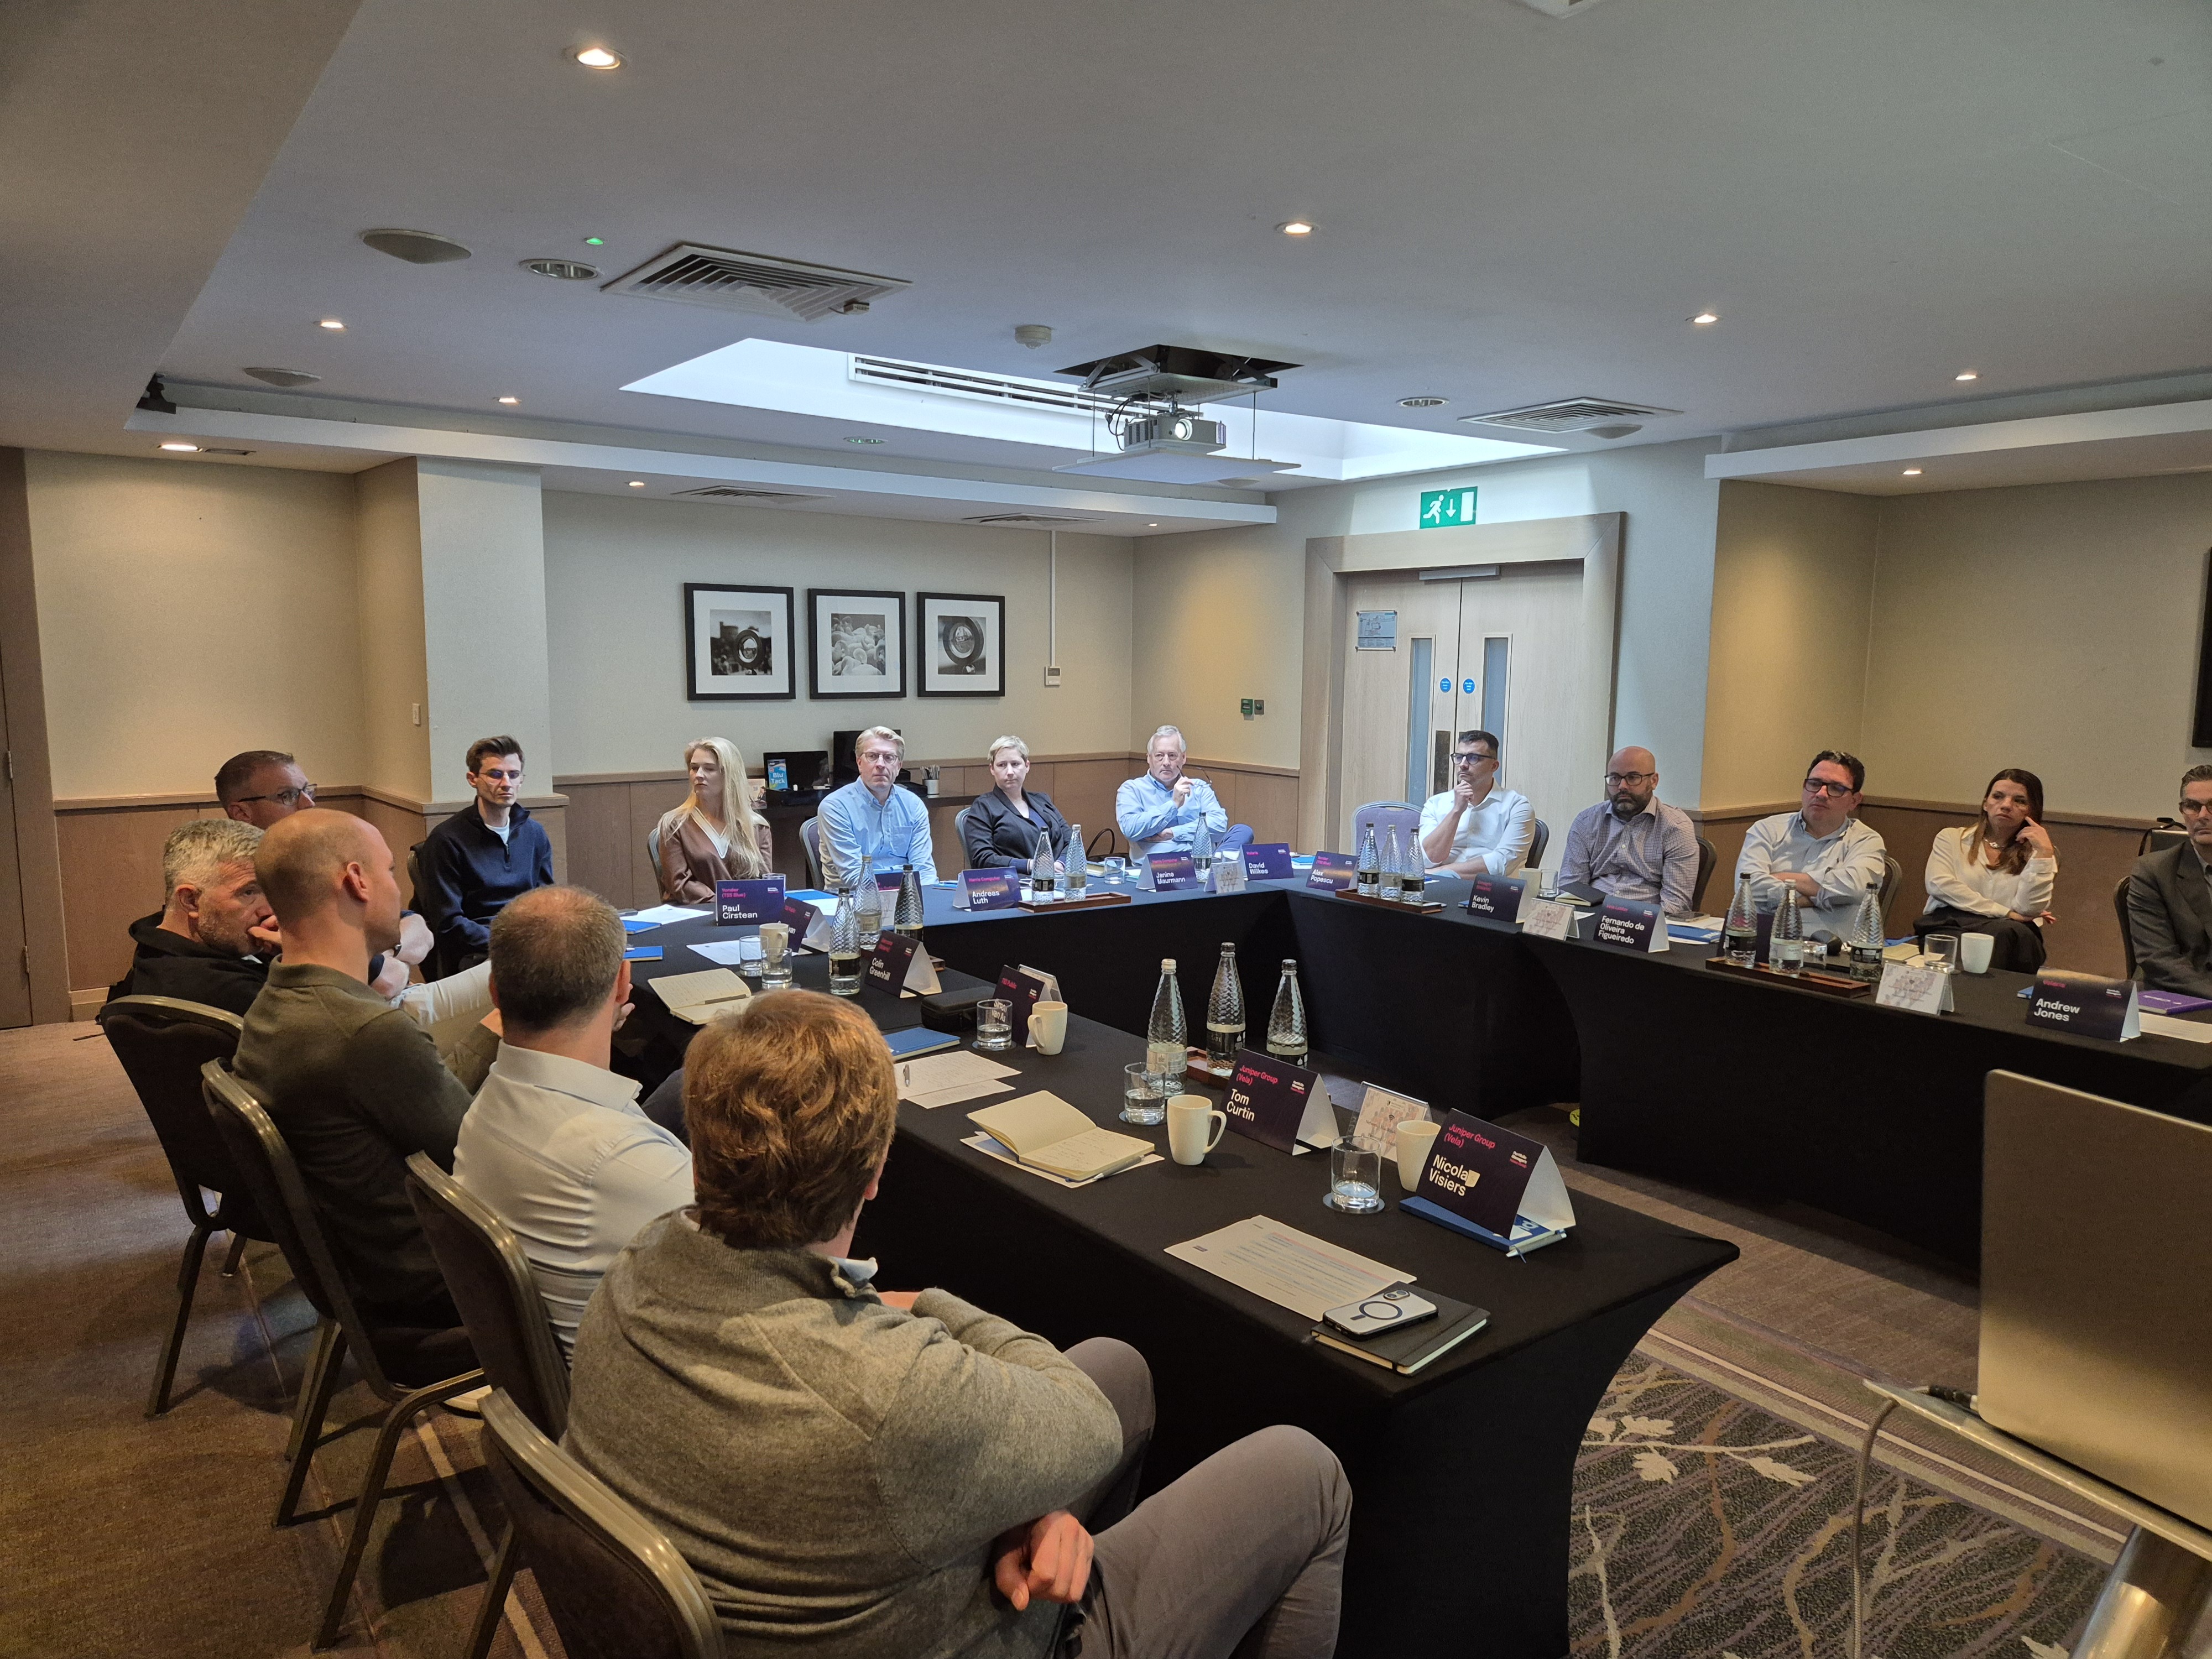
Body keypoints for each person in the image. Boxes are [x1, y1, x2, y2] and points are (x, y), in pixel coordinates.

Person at [564, 990, 1350, 1659]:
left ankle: (1058, 1560)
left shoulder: (639, 1264)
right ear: (875, 1172)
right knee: (1305, 1472)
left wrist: (1034, 1511)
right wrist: (929, 1300)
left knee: (1117, 1365)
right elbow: (1086, 1428)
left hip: (824, 1583)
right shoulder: (891, 1394)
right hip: (938, 1629)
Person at [233, 809, 499, 1323]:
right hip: (442, 1279)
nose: (397, 889)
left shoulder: (277, 998)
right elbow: (476, 1149)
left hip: (373, 1265)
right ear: (356, 881)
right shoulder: (362, 1031)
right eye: (391, 871)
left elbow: (427, 1099)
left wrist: (501, 1023)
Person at [455, 888, 691, 1357]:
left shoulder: (482, 1107)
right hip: (631, 1385)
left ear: (495, 993)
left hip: (573, 1353)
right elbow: (766, 1277)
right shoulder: (632, 1169)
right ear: (623, 984)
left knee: (686, 1084)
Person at [112, 818, 494, 1030]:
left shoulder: (160, 942)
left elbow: (416, 931)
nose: (269, 908)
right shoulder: (224, 988)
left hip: (377, 1018)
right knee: (512, 980)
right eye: (249, 892)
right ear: (190, 900)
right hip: (384, 1034)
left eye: (269, 889)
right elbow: (387, 986)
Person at [217, 748, 436, 977]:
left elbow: (420, 932)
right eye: (287, 796)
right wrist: (383, 963)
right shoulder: (240, 883)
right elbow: (384, 981)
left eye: (307, 791)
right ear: (242, 813)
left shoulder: (316, 855)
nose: (308, 804)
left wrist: (389, 954)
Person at [418, 735, 555, 972]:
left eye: (514, 775)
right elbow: (449, 923)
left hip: (530, 944)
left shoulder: (534, 834)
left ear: (521, 780)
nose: (506, 783)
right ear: (473, 779)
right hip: (478, 952)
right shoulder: (446, 840)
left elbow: (547, 900)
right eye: (495, 774)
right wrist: (508, 944)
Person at [1734, 750, 1888, 942]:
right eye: (1815, 784)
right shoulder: (1767, 830)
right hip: (1765, 943)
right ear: (1804, 787)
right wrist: (1817, 897)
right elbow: (1746, 887)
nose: (1821, 794)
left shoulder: (1866, 840)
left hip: (1833, 949)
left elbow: (1855, 889)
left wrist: (1784, 879)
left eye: (1836, 788)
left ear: (1855, 801)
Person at [1918, 768, 2057, 973]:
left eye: (2019, 801)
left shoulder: (2039, 853)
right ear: (1985, 803)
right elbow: (1940, 885)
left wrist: (2044, 853)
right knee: (1998, 936)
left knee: (2008, 935)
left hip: (2012, 935)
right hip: (1952, 925)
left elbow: (2028, 910)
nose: (2006, 805)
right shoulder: (1951, 839)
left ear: (2032, 811)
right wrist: (2005, 912)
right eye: (1998, 796)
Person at [1557, 746, 1700, 914]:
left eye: (1633, 778)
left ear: (1654, 781)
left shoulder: (1676, 828)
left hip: (1645, 921)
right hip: (1592, 917)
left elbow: (1676, 904)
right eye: (1615, 778)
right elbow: (1571, 887)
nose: (1622, 786)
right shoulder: (1587, 821)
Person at [2126, 764, 2212, 995]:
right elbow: (2159, 958)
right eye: (2193, 806)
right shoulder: (2154, 871)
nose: (2203, 816)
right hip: (2182, 994)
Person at [655, 737, 774, 904]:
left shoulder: (757, 827)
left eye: (709, 769)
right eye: (694, 768)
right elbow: (680, 884)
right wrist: (724, 902)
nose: (699, 775)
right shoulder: (674, 824)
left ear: (729, 775)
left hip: (747, 913)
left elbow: (765, 884)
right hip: (699, 913)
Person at [816, 726, 937, 887]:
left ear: (899, 766)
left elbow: (924, 870)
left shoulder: (914, 806)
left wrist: (925, 896)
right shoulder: (835, 807)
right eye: (872, 756)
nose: (881, 764)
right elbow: (854, 877)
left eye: (889, 758)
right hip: (852, 898)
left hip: (908, 896)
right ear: (859, 763)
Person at [1115, 725, 1252, 859]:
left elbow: (1219, 825)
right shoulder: (1131, 789)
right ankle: (1218, 862)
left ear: (1183, 758)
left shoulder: (1199, 787)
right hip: (1161, 864)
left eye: (1172, 756)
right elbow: (1131, 829)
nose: (1166, 762)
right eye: (1159, 756)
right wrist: (1173, 805)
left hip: (1200, 861)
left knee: (1243, 831)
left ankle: (1216, 862)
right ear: (1149, 758)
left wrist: (1173, 833)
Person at [1417, 729, 1533, 877]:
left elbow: (1501, 863)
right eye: (1459, 757)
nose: (1463, 765)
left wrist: (1440, 872)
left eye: (1473, 758)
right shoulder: (1435, 804)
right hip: (1439, 886)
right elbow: (1428, 859)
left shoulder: (1517, 806)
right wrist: (1457, 811)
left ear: (1494, 766)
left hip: (1491, 888)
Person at [963, 735, 1073, 872]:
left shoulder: (1042, 800)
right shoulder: (983, 807)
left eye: (1015, 764)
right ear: (992, 769)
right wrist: (1031, 866)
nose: (1010, 772)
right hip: (1016, 881)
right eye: (1002, 765)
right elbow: (982, 858)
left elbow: (1072, 841)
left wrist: (1060, 864)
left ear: (1027, 766)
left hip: (1059, 876)